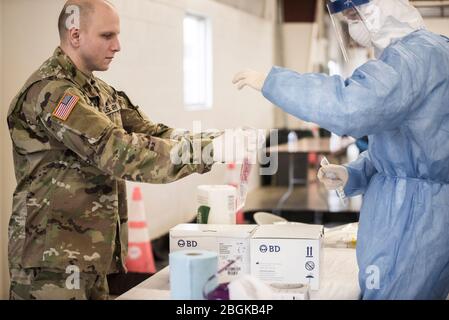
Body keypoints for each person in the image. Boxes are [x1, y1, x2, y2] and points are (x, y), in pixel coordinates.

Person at [7, 0, 250, 300]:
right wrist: (210, 151)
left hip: (92, 257)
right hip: (52, 263)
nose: (117, 45)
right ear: (75, 35)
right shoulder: (52, 94)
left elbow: (155, 133)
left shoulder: (99, 92)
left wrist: (223, 139)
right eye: (107, 36)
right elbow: (120, 152)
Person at [233, 0, 449, 299]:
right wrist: (354, 173)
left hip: (413, 217)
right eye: (346, 20)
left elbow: (351, 107)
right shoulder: (423, 53)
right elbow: (409, 148)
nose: (352, 28)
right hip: (412, 210)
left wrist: (273, 82)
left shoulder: (414, 58)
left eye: (353, 16)